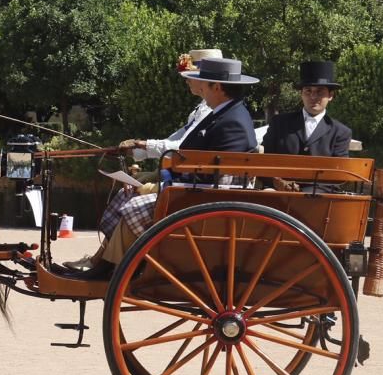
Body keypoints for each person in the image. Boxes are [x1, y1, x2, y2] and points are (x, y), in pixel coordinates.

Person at [73, 57, 260, 280]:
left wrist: (163, 183)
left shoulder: (232, 122)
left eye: (205, 82)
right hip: (198, 191)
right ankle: (108, 264)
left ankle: (115, 271)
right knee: (132, 199)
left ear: (217, 87)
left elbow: (212, 175)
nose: (200, 87)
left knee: (134, 206)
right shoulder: (224, 114)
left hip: (203, 200)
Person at [118, 48, 223, 161]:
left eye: (191, 76)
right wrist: (137, 151)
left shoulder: (209, 109)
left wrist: (140, 144)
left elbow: (181, 147)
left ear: (205, 80)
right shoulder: (203, 106)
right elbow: (174, 140)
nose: (186, 80)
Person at [263, 61, 352, 192]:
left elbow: (337, 177)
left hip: (317, 198)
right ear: (301, 93)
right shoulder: (279, 123)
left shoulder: (340, 132)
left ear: (331, 95)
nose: (313, 96)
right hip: (277, 193)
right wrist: (276, 181)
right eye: (308, 91)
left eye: (320, 91)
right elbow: (263, 162)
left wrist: (309, 191)